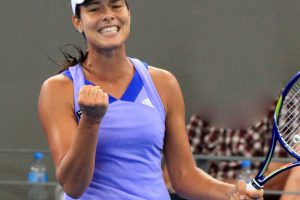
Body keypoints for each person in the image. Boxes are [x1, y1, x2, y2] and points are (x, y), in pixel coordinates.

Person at [38, 0, 264, 199]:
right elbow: (73, 186)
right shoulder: (57, 90)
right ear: (77, 22)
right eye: (95, 8)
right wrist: (90, 121)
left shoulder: (164, 84)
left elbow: (185, 176)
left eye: (116, 5)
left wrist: (232, 193)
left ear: (128, 13)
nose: (108, 14)